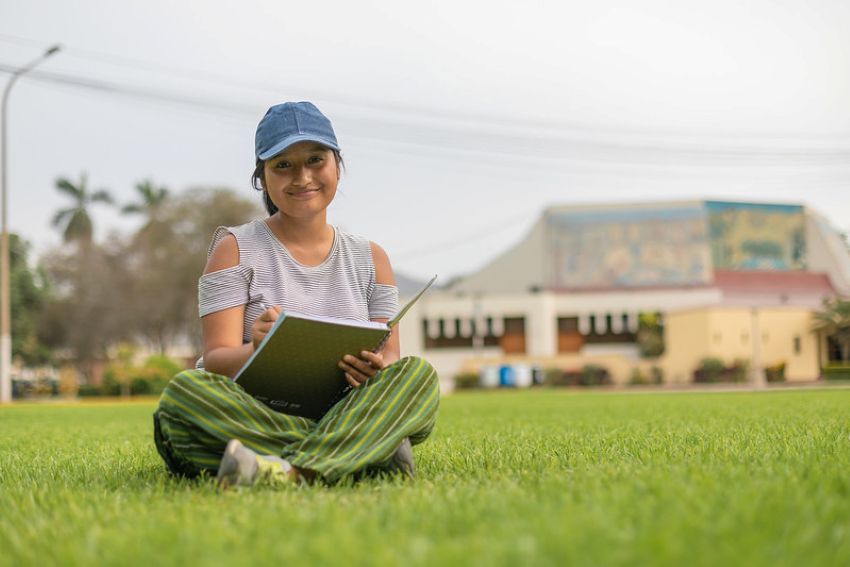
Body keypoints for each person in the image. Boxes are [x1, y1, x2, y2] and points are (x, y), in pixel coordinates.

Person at [152, 101, 439, 487]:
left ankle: (286, 468)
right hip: (251, 413)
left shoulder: (372, 258)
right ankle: (364, 452)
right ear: (262, 178)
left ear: (337, 165)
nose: (302, 177)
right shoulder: (234, 248)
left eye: (315, 160)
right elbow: (217, 360)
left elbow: (389, 359)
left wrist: (374, 369)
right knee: (183, 398)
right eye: (283, 165)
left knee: (417, 377)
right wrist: (258, 346)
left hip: (338, 409)